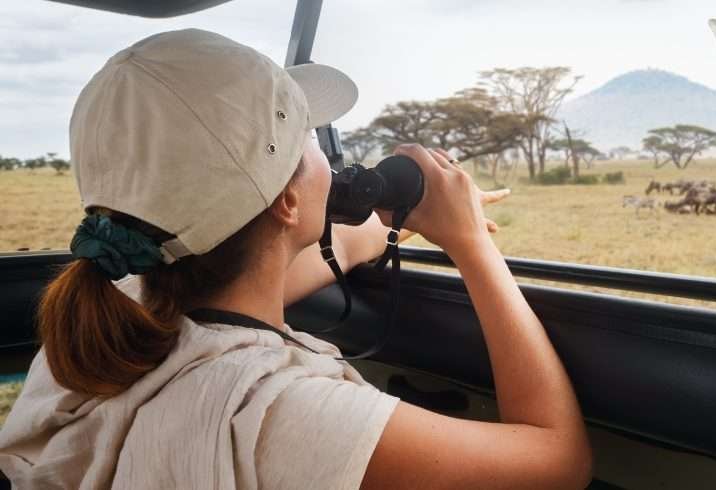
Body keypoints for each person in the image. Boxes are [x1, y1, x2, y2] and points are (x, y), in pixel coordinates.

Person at [0, 29, 591, 489]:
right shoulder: (279, 413)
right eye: (308, 136)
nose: (327, 158)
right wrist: (473, 246)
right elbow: (560, 461)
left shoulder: (106, 322)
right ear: (286, 200)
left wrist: (410, 217)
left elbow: (327, 251)